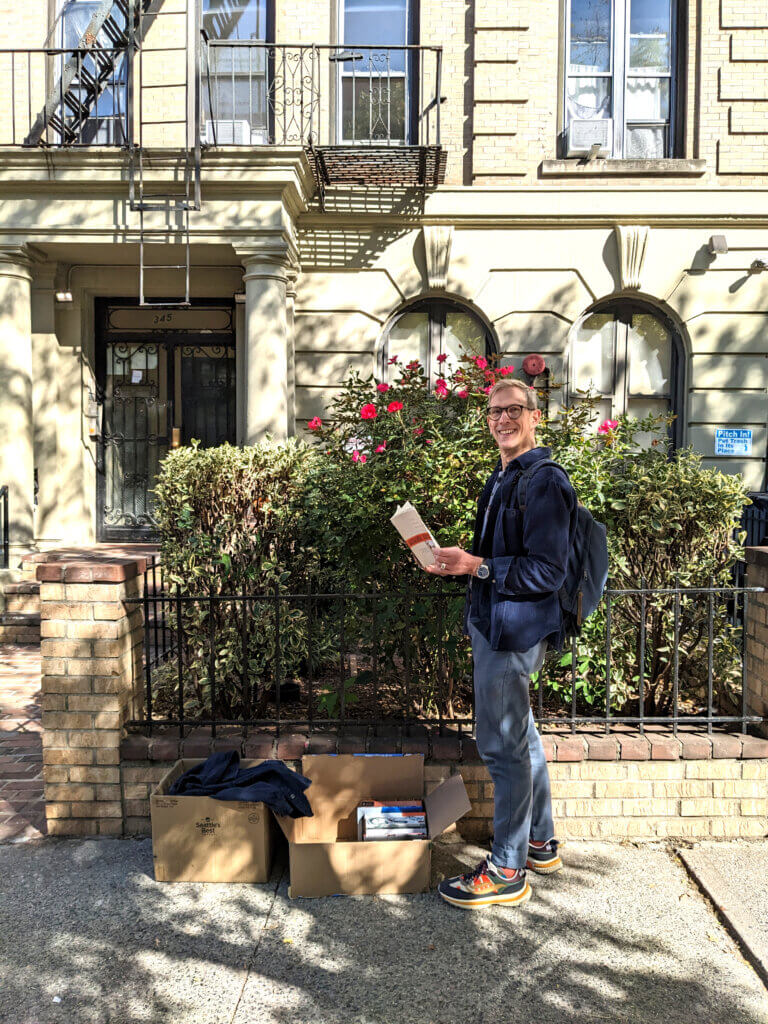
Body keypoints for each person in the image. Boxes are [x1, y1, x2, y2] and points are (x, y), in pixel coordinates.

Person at [425, 377, 577, 909]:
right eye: (494, 412)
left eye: (514, 410)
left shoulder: (544, 481)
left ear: (536, 416)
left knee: (501, 744)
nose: (503, 419)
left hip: (512, 632)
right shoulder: (506, 474)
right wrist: (463, 562)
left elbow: (549, 570)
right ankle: (539, 841)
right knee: (523, 735)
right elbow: (500, 555)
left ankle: (508, 869)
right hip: (495, 622)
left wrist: (480, 566)